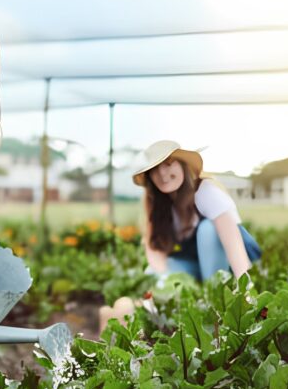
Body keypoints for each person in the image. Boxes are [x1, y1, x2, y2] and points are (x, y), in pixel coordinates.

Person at [98, 140, 261, 331]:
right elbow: (155, 250)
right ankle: (141, 314)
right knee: (153, 273)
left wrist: (246, 290)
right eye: (156, 169)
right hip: (199, 265)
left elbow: (234, 244)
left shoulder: (205, 191)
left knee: (207, 229)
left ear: (183, 165)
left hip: (232, 265)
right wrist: (163, 282)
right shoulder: (158, 203)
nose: (163, 174)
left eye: (169, 164)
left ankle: (214, 306)